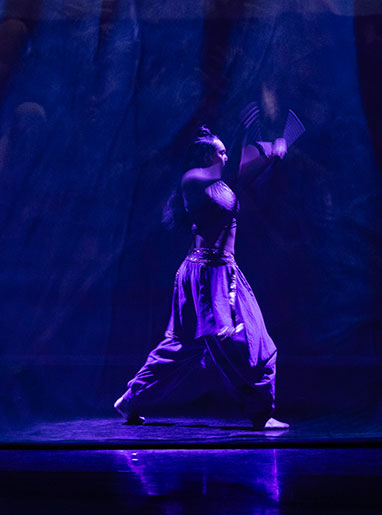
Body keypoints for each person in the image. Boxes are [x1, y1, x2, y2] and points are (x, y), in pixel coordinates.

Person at [113, 114, 290, 430]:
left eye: (225, 152)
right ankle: (260, 413)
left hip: (224, 274)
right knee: (240, 344)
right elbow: (233, 166)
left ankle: (131, 399)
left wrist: (273, 152)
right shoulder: (193, 179)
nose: (225, 156)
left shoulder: (222, 185)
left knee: (188, 347)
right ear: (207, 156)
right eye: (220, 152)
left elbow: (243, 169)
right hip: (204, 278)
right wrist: (242, 134)